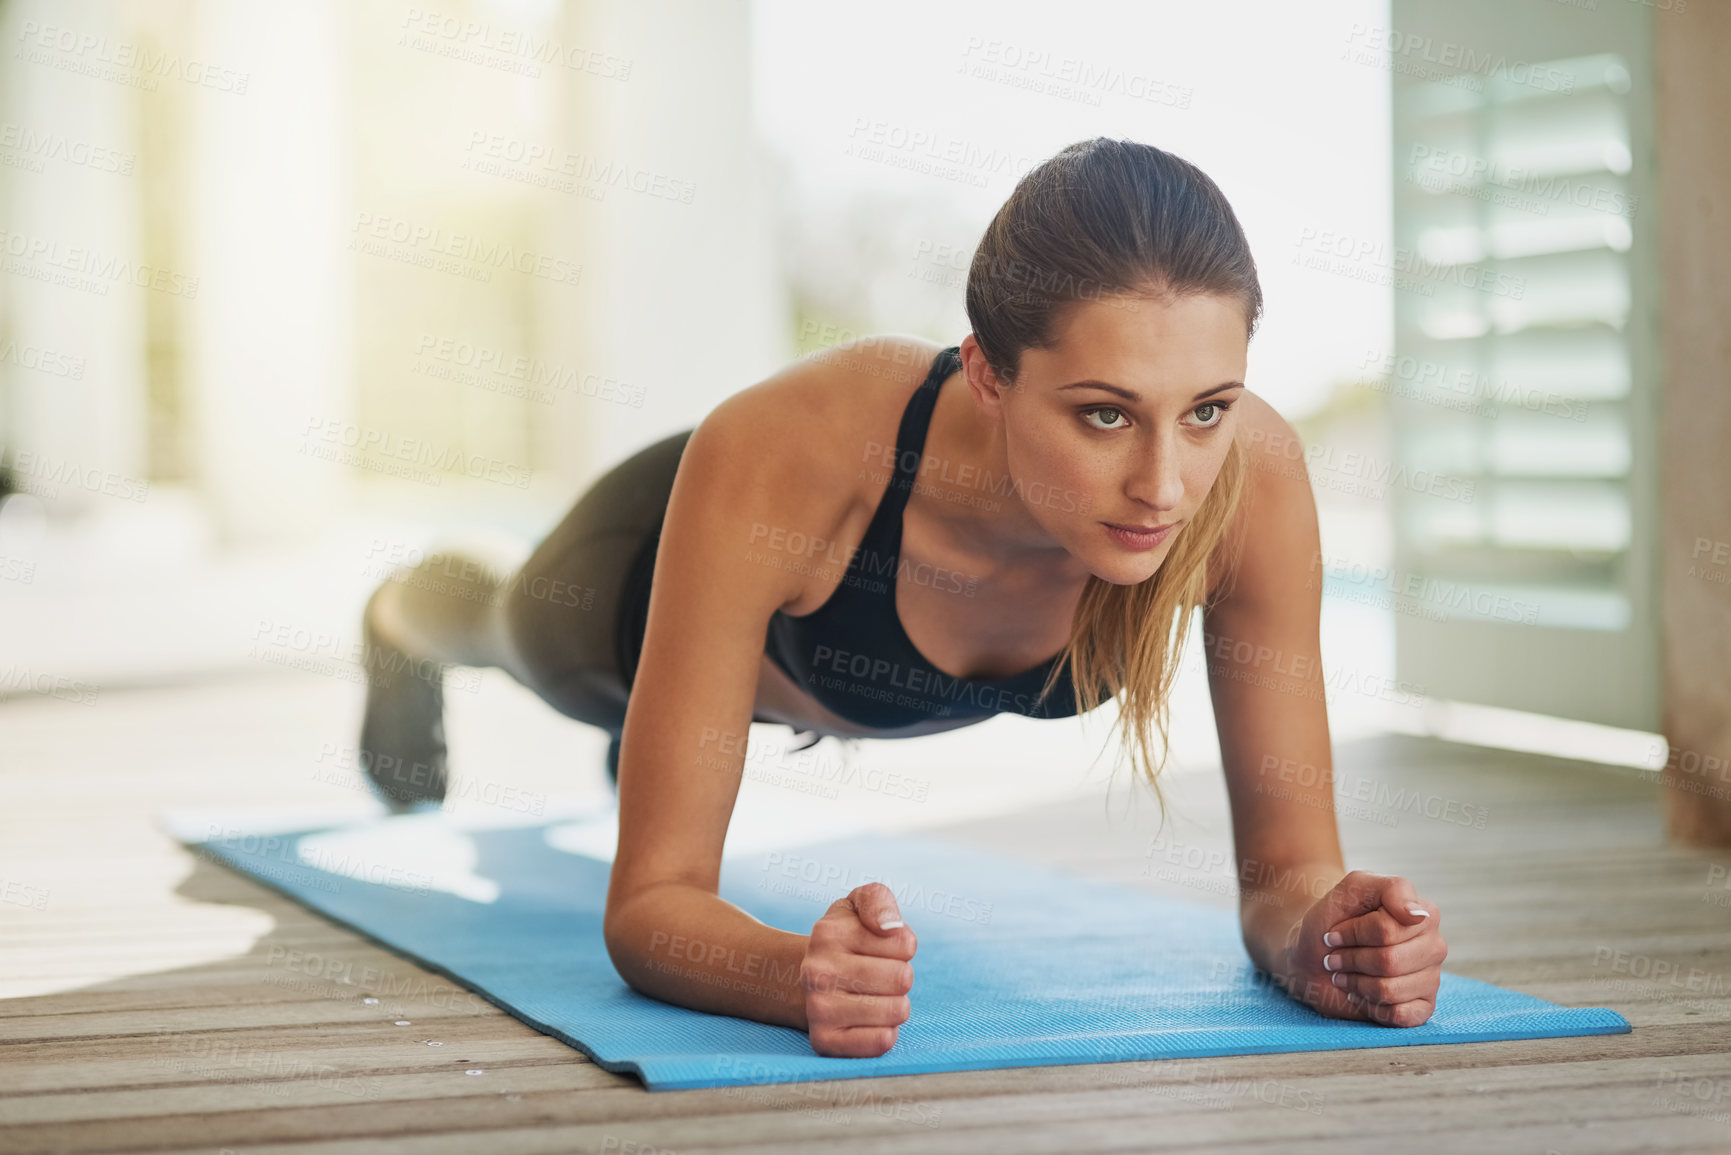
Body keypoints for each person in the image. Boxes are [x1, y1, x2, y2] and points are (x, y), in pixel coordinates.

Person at [358, 136, 1447, 1059]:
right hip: (623, 589)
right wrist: (791, 977)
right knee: (492, 622)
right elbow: (651, 907)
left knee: (664, 742)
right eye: (1105, 414)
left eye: (1207, 408)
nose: (1165, 486)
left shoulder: (1252, 484)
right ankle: (397, 617)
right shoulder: (793, 451)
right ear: (987, 373)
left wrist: (1325, 938)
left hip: (787, 674)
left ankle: (675, 741)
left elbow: (1290, 875)